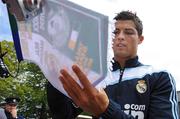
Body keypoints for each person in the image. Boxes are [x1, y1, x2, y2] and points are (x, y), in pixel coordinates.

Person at [47, 10, 179, 119]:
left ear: (140, 39)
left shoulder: (159, 76)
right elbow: (63, 114)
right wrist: (55, 78)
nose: (120, 37)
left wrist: (106, 109)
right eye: (115, 32)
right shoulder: (93, 76)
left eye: (128, 32)